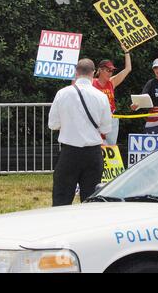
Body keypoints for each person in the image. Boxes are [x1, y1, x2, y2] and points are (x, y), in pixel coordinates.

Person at [49, 59, 112, 206]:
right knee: (90, 201)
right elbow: (106, 129)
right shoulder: (101, 96)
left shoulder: (62, 93)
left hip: (69, 152)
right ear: (93, 73)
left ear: (76, 73)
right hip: (93, 154)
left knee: (61, 200)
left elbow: (53, 124)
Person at [93, 43, 132, 145]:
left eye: (112, 70)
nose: (110, 72)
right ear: (100, 70)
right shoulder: (91, 82)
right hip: (96, 119)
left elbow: (128, 69)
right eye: (108, 70)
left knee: (110, 147)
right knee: (96, 146)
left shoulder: (111, 82)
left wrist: (126, 52)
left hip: (110, 119)